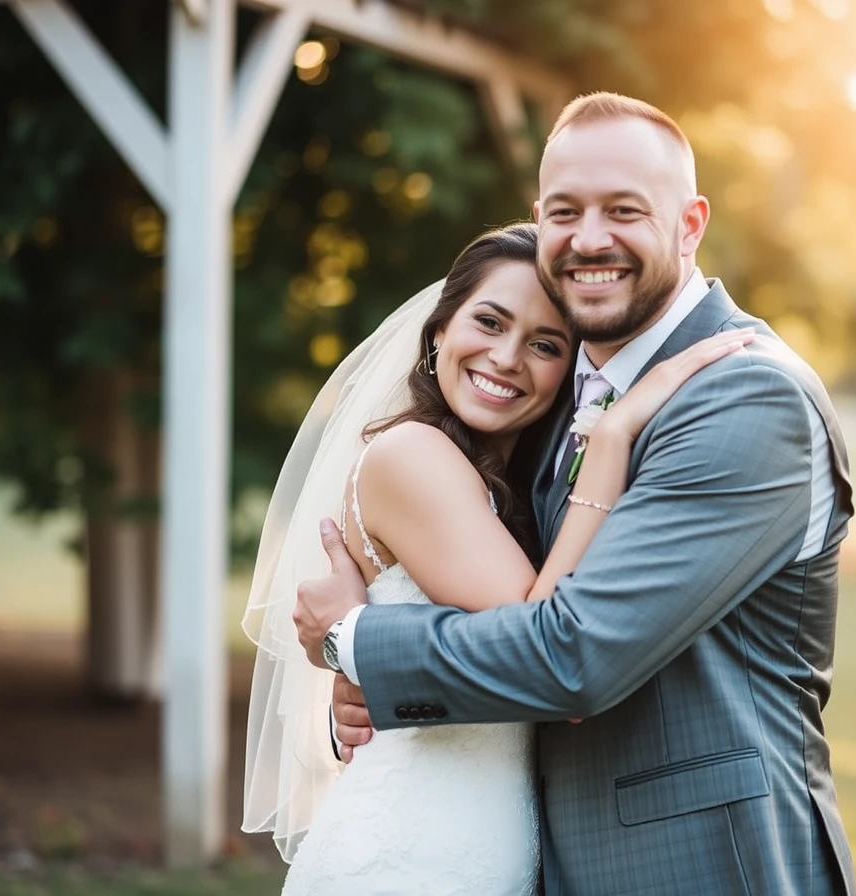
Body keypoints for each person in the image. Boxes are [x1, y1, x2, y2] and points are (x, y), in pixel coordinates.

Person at [295, 92, 856, 896]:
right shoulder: (553, 393)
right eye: (566, 211)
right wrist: (363, 693)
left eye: (624, 210)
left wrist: (356, 642)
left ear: (690, 224)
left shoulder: (744, 397)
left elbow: (571, 658)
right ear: (540, 220)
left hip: (700, 867)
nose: (590, 238)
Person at [241, 221, 752, 892]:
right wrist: (612, 435)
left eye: (544, 344)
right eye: (489, 322)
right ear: (439, 332)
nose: (507, 357)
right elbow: (542, 650)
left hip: (483, 847)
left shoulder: (517, 484)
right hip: (408, 857)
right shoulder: (412, 455)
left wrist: (353, 649)